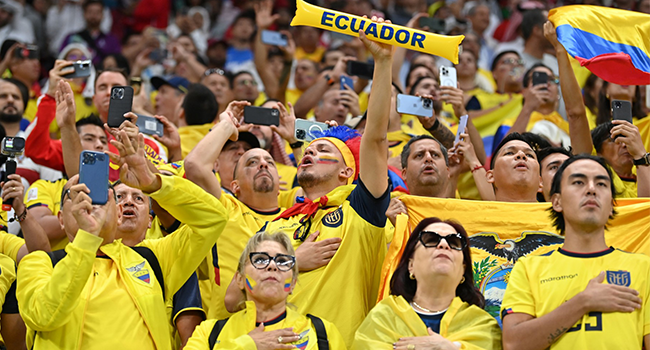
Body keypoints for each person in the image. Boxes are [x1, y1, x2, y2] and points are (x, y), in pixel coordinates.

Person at [246, 17, 393, 346]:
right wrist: (293, 261)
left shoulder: (361, 210)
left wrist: (383, 61)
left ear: (346, 173)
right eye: (307, 150)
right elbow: (232, 296)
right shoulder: (274, 228)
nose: (309, 154)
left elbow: (375, 141)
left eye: (323, 150)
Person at [16, 130, 228, 349]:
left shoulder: (154, 257)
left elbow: (214, 218)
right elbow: (44, 316)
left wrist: (154, 184)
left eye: (98, 194)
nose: (89, 201)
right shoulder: (39, 263)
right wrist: (87, 238)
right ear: (61, 219)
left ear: (116, 213)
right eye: (77, 194)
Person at [501, 155, 650, 349]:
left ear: (612, 207)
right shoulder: (528, 268)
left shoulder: (644, 267)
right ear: (557, 202)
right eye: (578, 182)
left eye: (602, 184)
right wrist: (583, 302)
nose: (591, 189)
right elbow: (513, 344)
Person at [353, 217, 502, 349]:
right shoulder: (383, 318)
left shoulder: (483, 327)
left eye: (454, 242)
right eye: (431, 240)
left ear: (463, 270)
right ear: (410, 265)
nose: (444, 244)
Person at [184, 231, 347, 349]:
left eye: (283, 261)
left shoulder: (322, 332)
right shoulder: (209, 333)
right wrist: (246, 346)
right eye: (260, 259)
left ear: (293, 283)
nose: (272, 265)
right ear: (239, 279)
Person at [59, 0, 121, 66]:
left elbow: (117, 61)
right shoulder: (71, 38)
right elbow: (62, 59)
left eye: (97, 12)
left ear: (103, 15)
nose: (93, 15)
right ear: (84, 14)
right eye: (90, 12)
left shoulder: (111, 40)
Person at [487, 133, 542, 202]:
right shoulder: (471, 211)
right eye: (509, 153)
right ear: (491, 176)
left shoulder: (557, 212)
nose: (521, 155)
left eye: (529, 155)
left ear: (540, 181)